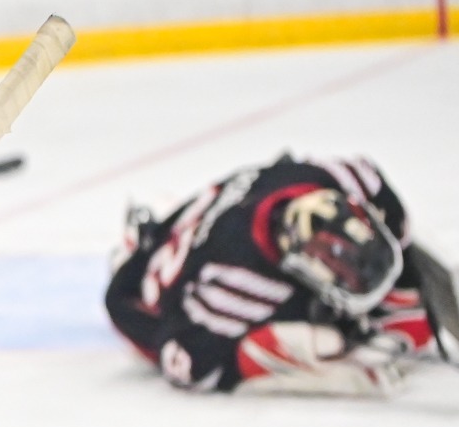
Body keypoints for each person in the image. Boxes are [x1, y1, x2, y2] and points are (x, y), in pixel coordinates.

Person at [104, 153, 442, 396]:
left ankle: (387, 300)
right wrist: (259, 356)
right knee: (323, 342)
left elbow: (376, 188)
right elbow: (190, 361)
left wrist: (403, 276)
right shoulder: (232, 280)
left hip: (210, 219)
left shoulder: (329, 178)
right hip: (162, 273)